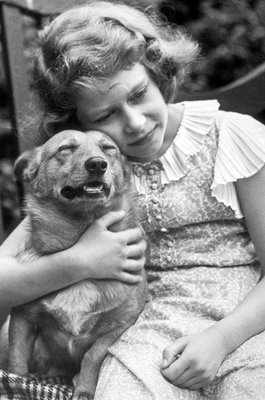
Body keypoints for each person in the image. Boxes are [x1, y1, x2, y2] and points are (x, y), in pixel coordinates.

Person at [1, 1, 265, 399]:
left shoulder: (231, 136)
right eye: (106, 116)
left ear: (157, 72)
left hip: (245, 323)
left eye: (139, 94)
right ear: (78, 124)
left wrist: (222, 339)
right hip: (147, 330)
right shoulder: (95, 176)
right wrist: (76, 262)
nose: (136, 122)